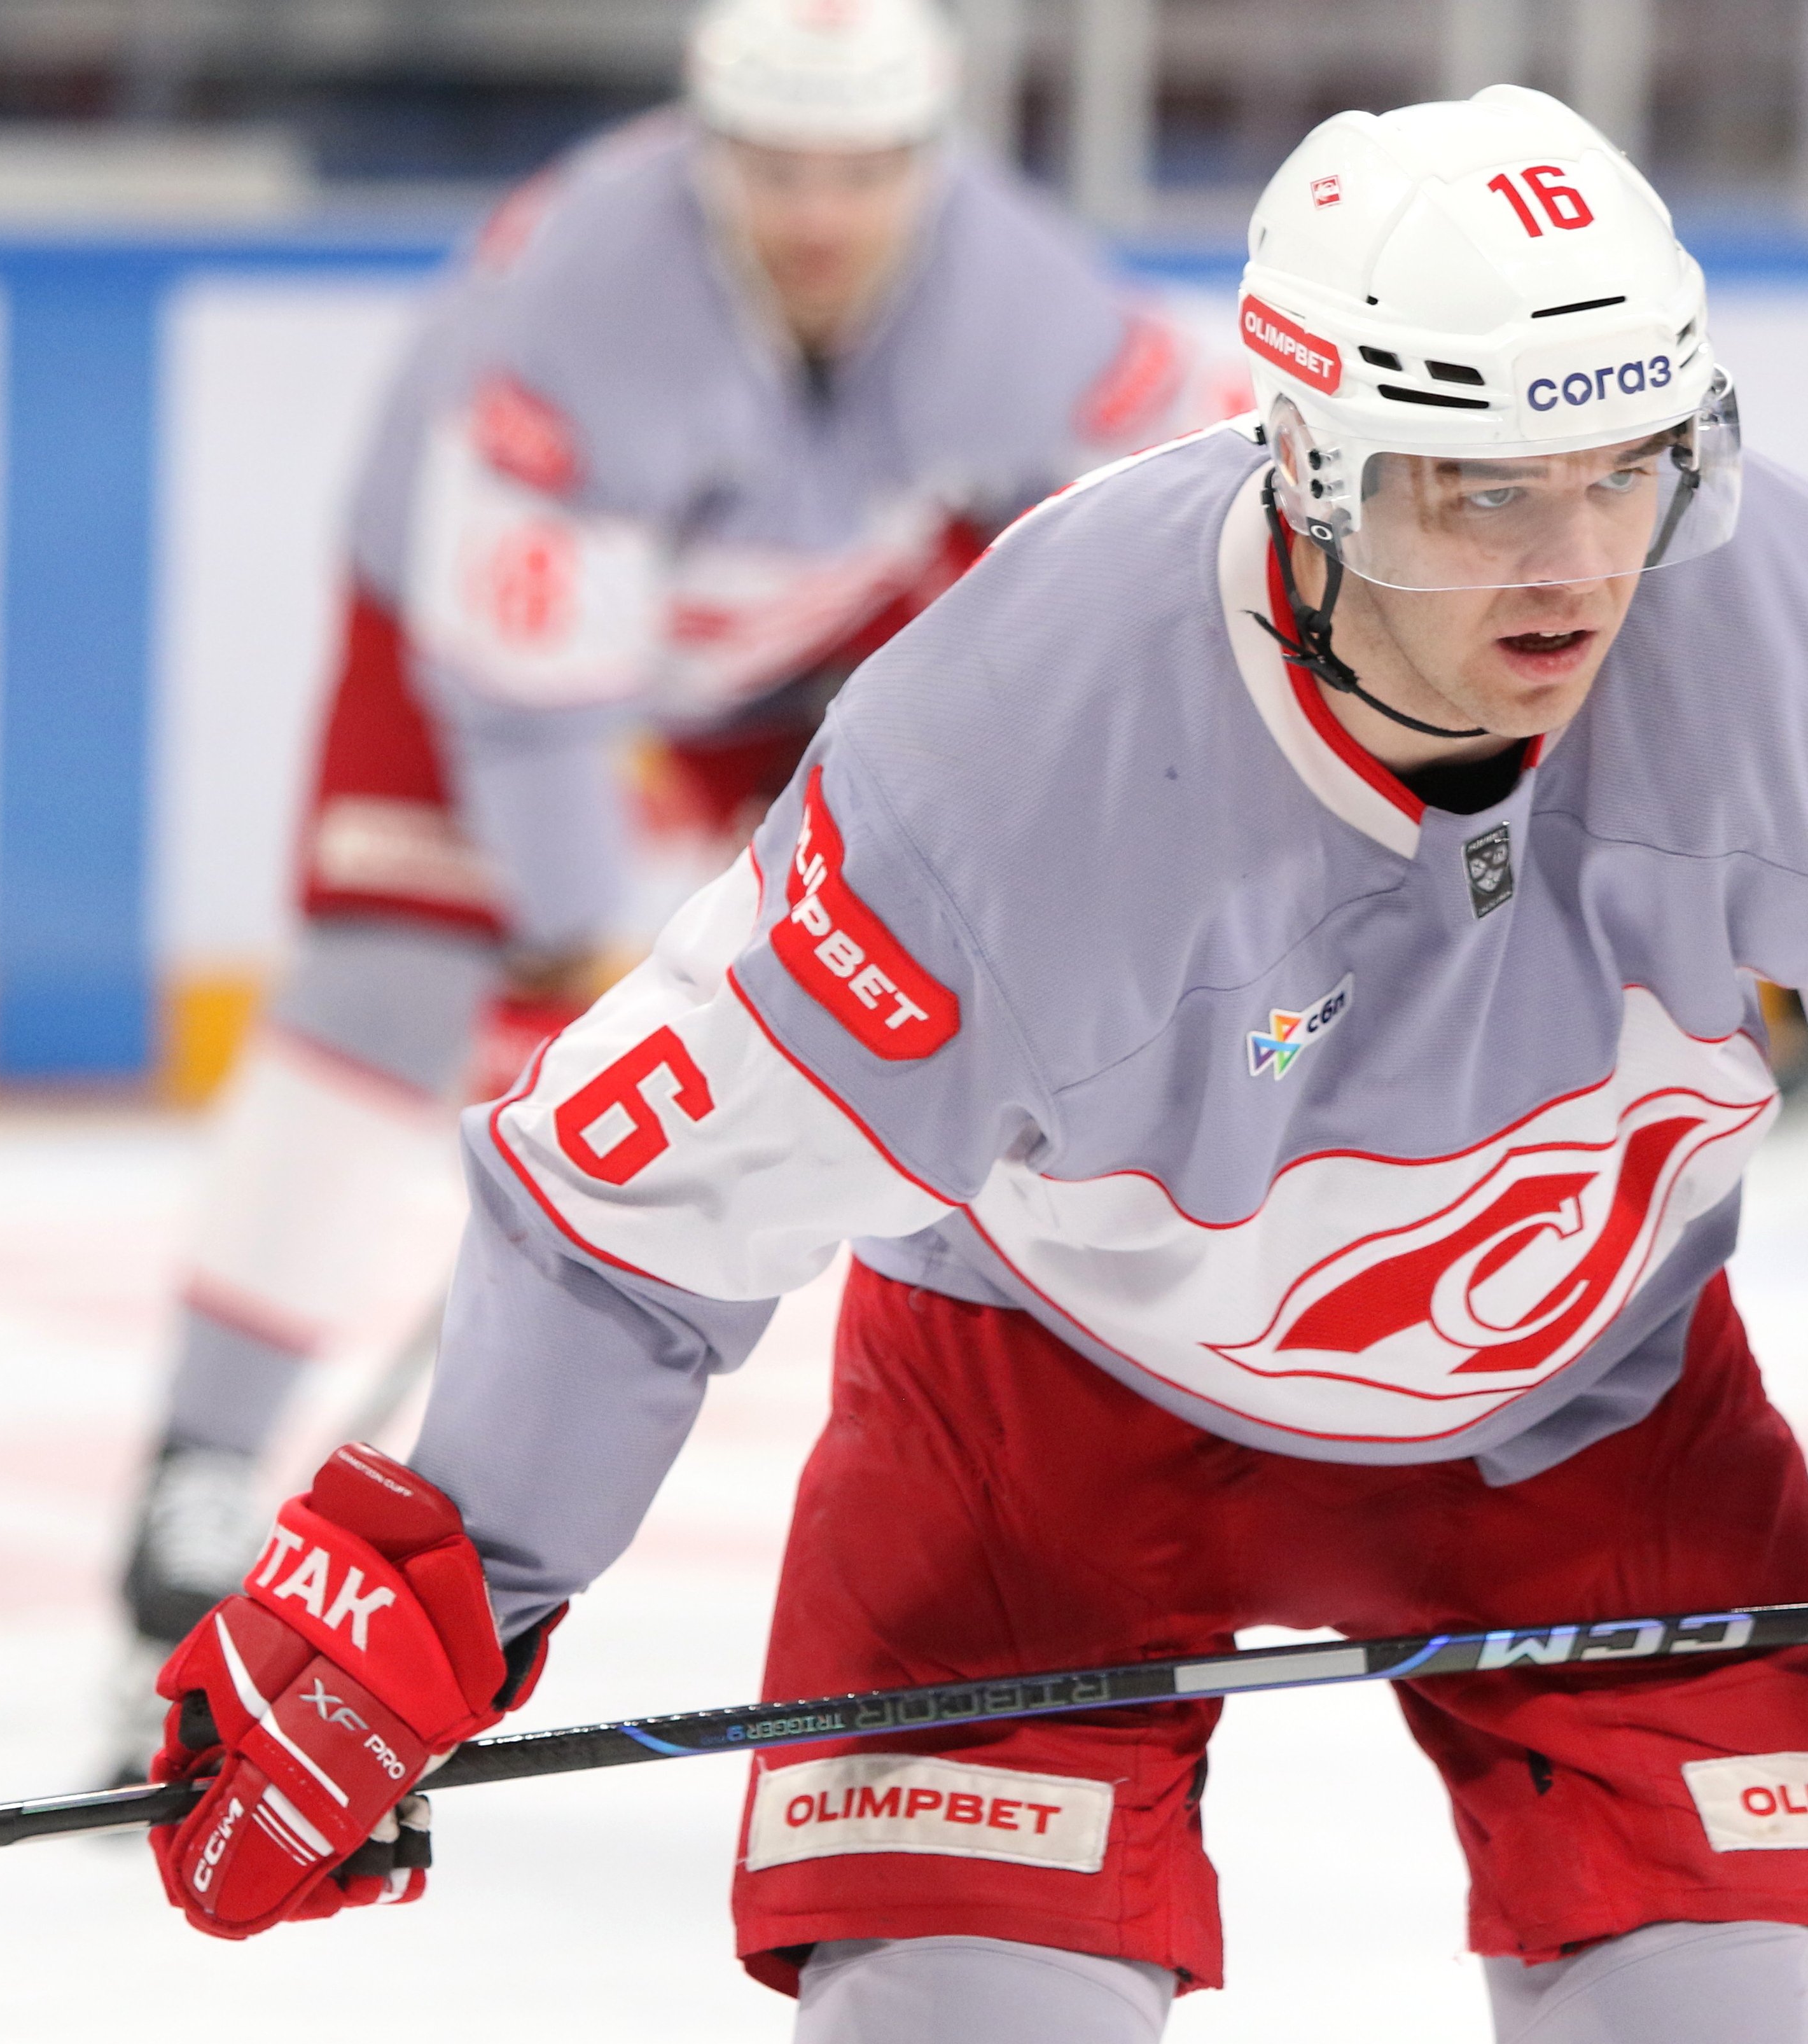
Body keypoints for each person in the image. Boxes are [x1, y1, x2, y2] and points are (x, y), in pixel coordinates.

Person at [138, 87, 1808, 2044]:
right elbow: (640, 1205)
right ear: (1310, 468)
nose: (1574, 569)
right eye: (1478, 492)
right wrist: (442, 1576)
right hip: (1039, 1419)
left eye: (1625, 468)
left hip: (1589, 1397)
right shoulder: (1009, 759)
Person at [107, 0, 1236, 1769]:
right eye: (777, 170)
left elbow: (1177, 535)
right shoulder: (578, 306)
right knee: (388, 987)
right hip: (479, 647)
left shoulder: (1025, 297)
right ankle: (200, 1466)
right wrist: (585, 949)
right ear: (709, 149)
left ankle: (1046, 1482)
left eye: (863, 172)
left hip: (809, 631)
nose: (819, 216)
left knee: (998, 1004)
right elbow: (532, 699)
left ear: (929, 157)